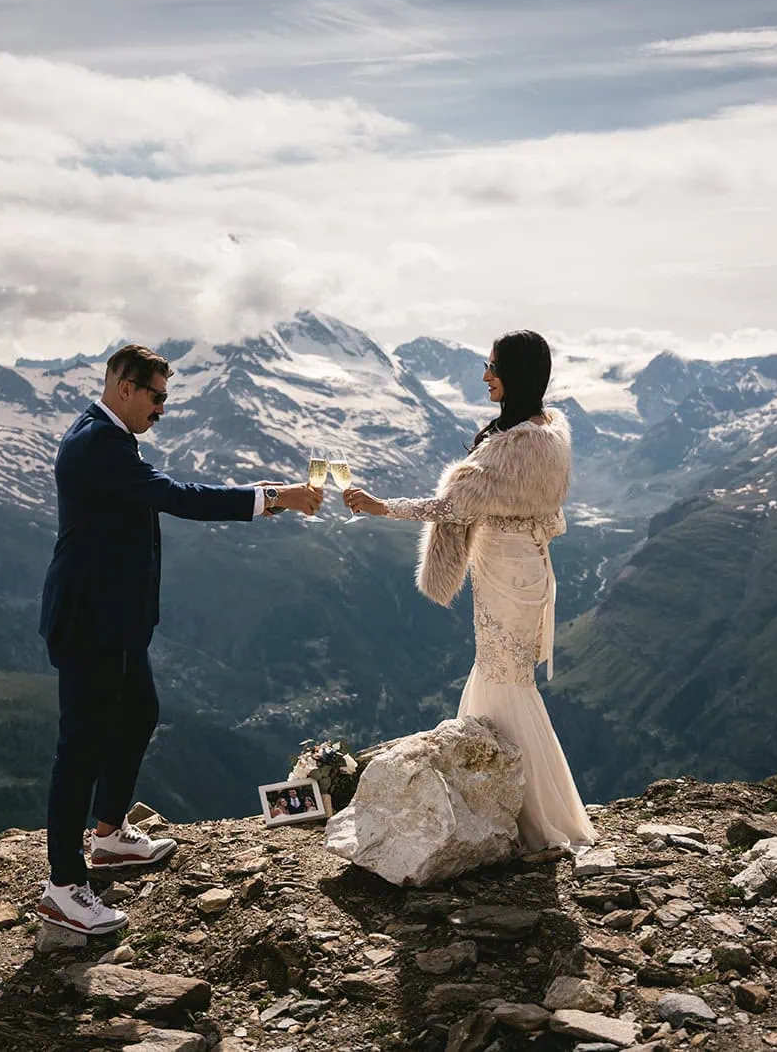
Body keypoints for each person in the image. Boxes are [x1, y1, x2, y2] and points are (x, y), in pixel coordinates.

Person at [36, 343, 323, 935]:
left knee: (139, 712)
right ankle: (63, 884)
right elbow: (175, 497)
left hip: (116, 619)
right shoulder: (98, 444)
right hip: (90, 620)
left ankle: (110, 834)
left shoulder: (107, 437)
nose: (162, 409)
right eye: (157, 396)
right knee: (81, 747)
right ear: (124, 387)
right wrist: (275, 497)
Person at [344, 330, 595, 854]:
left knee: (503, 679)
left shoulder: (513, 447)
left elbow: (453, 508)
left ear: (516, 373)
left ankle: (528, 814)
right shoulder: (545, 435)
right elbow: (545, 516)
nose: (485, 375)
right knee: (506, 675)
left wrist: (380, 506)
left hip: (505, 572)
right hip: (522, 568)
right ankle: (523, 803)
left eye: (493, 366)